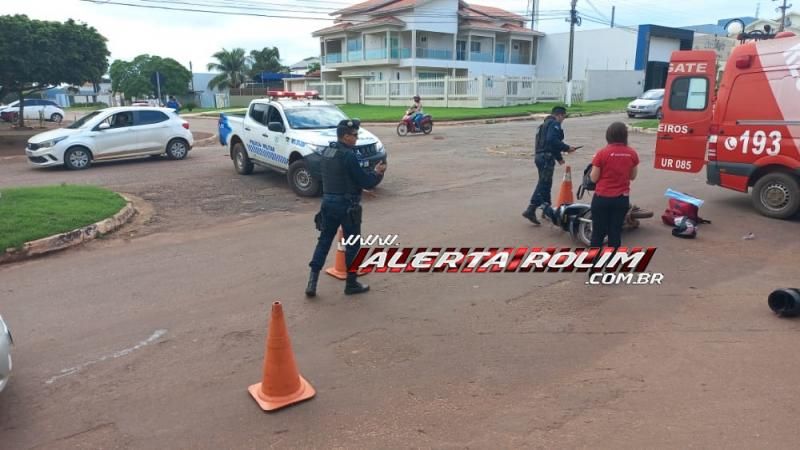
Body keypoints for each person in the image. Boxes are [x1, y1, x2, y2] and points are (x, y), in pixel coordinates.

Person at [306, 119, 387, 297]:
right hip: (347, 206)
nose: (356, 138)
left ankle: (312, 282)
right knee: (352, 245)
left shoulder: (327, 152)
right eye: (354, 135)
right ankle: (351, 284)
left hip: (328, 203)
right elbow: (366, 181)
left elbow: (336, 177)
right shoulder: (349, 155)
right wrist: (377, 172)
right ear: (345, 136)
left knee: (324, 241)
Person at [522, 106, 578, 225]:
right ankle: (531, 209)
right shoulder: (554, 124)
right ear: (559, 115)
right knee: (543, 184)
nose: (563, 120)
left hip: (540, 157)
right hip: (546, 158)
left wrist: (559, 158)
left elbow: (548, 143)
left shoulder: (542, 126)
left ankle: (546, 210)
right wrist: (567, 148)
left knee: (546, 184)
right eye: (563, 117)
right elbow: (552, 141)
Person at [587, 122, 639, 248]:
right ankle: (612, 262)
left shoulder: (601, 153)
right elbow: (632, 176)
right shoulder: (632, 153)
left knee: (598, 233)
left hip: (602, 198)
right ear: (625, 136)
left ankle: (594, 263)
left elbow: (593, 179)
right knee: (615, 233)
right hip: (621, 199)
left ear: (608, 135)